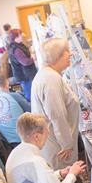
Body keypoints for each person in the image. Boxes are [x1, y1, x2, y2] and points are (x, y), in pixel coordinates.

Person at [6, 113, 89, 183]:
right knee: (73, 182)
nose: (48, 134)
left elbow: (38, 179)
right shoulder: (34, 161)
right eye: (47, 131)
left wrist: (60, 174)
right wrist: (73, 173)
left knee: (70, 180)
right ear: (36, 136)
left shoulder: (16, 153)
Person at [31, 38, 81, 170]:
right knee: (67, 181)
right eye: (66, 51)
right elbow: (57, 116)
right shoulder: (51, 79)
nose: (69, 54)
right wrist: (67, 144)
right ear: (57, 55)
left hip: (55, 143)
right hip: (59, 147)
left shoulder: (48, 75)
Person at [0, 73, 31, 147]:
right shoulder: (15, 97)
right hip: (24, 140)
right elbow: (32, 111)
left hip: (4, 146)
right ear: (7, 83)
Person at [8, 29, 37, 101]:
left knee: (31, 93)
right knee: (30, 96)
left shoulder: (17, 45)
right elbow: (25, 62)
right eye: (20, 35)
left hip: (26, 74)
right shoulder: (16, 49)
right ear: (16, 37)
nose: (22, 36)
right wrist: (33, 58)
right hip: (25, 76)